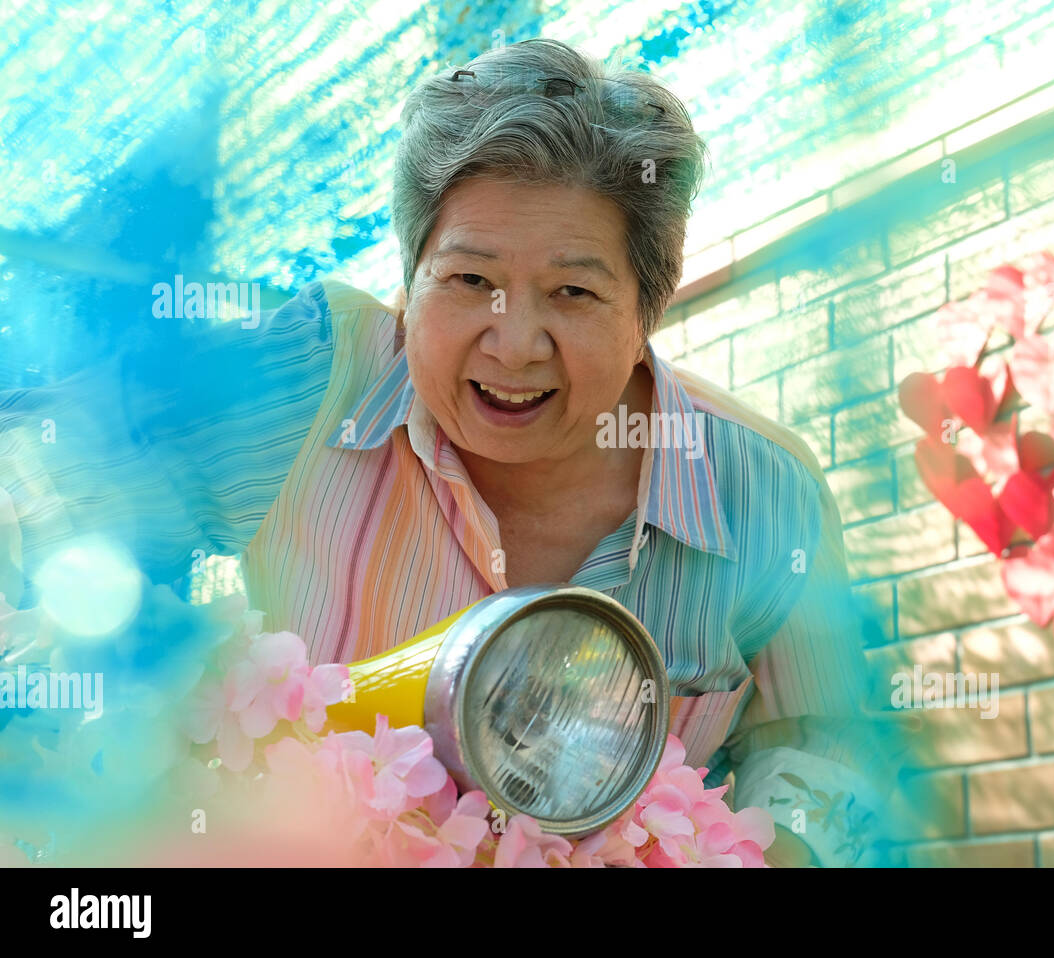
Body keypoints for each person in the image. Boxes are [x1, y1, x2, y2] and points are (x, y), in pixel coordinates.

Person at [0, 37, 906, 866]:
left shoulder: (765, 495)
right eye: (470, 281)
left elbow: (824, 753)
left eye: (573, 293)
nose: (514, 345)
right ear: (408, 282)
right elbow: (38, 476)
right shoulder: (310, 381)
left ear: (648, 313)